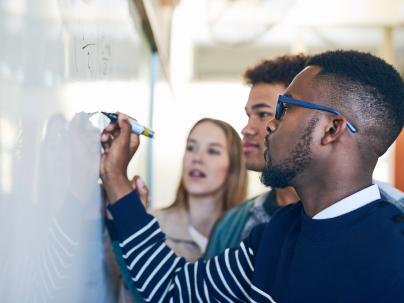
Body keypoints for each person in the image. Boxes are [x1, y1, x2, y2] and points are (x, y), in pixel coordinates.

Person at [100, 50, 404, 302]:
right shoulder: (276, 234)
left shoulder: (395, 257)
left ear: (331, 129)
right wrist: (116, 178)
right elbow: (173, 288)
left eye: (284, 109)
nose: (270, 125)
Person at [205, 54, 404, 258]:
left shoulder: (394, 228)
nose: (248, 129)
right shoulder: (254, 228)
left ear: (330, 128)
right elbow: (198, 287)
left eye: (281, 109)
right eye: (250, 116)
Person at [107, 117, 248, 302]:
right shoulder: (147, 225)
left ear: (234, 166)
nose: (197, 158)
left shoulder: (246, 236)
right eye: (191, 148)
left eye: (213, 151)